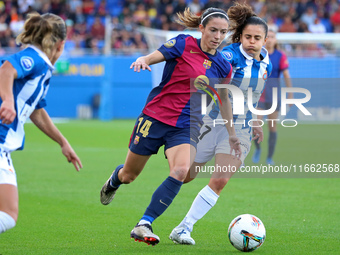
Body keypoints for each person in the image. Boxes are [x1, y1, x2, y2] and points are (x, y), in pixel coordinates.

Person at [99, 7, 241, 246]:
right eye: (213, 30)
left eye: (223, 32)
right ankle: (115, 179)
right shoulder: (183, 43)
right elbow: (154, 56)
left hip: (186, 124)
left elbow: (224, 99)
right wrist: (144, 60)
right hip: (155, 117)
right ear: (201, 29)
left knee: (181, 171)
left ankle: (144, 223)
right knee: (130, 175)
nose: (218, 36)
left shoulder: (223, 66)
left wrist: (231, 133)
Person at [169, 2, 272, 245]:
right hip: (212, 123)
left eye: (257, 38)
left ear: (265, 40)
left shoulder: (266, 61)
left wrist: (256, 121)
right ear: (241, 36)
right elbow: (210, 74)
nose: (252, 42)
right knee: (184, 175)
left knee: (219, 180)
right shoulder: (228, 55)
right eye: (247, 36)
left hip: (241, 131)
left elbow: (255, 95)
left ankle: (184, 228)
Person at [0, 13, 82, 235]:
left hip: (3, 146)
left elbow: (36, 111)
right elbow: (6, 69)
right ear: (61, 44)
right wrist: (7, 100)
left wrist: (62, 142)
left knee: (7, 214)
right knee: (7, 214)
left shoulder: (43, 68)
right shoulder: (35, 58)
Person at [252, 29, 292, 165]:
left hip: (274, 95)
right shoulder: (258, 54)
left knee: (272, 127)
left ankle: (269, 157)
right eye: (267, 37)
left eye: (272, 37)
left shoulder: (280, 56)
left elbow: (286, 75)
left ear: (276, 40)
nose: (270, 39)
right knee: (255, 125)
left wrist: (290, 94)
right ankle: (257, 149)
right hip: (259, 95)